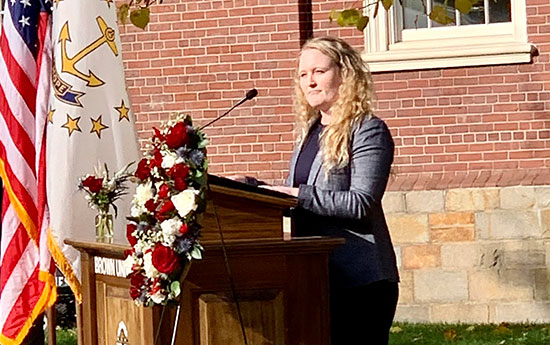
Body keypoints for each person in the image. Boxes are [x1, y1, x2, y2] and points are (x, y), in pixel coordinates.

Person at [265, 36, 399, 344]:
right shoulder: (309, 133)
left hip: (359, 282)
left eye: (318, 72)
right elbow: (300, 195)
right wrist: (257, 191)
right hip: (314, 276)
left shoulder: (368, 129)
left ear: (344, 74)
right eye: (302, 74)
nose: (309, 82)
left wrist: (295, 195)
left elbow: (360, 203)